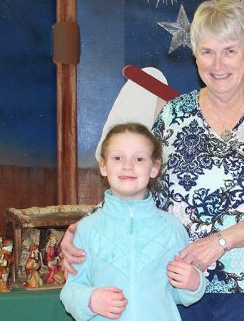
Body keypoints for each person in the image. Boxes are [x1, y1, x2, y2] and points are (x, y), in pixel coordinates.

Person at [62, 0, 244, 320]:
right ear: (195, 56)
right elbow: (144, 177)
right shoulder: (175, 114)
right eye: (207, 51)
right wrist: (87, 227)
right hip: (172, 279)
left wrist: (219, 242)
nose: (217, 63)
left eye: (229, 51)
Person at [60, 123, 206, 321]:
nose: (127, 165)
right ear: (103, 166)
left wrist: (194, 283)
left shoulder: (172, 228)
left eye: (139, 158)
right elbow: (70, 290)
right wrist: (91, 299)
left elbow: (178, 294)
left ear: (154, 168)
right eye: (117, 158)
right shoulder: (86, 229)